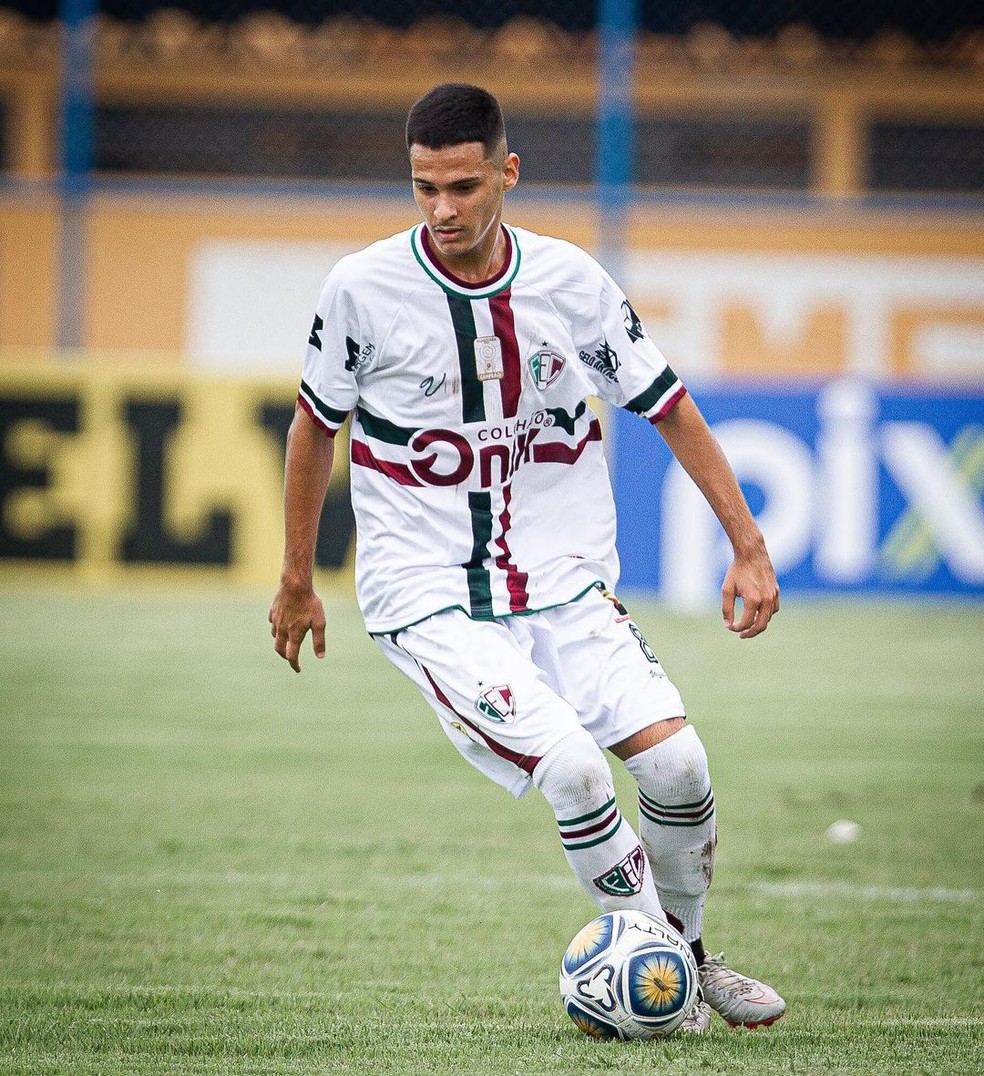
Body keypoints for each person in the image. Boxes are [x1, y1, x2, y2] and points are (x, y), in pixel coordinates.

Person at [269, 83, 785, 1034]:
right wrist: (297, 578)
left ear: (507, 173)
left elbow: (668, 405)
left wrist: (747, 547)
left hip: (561, 583)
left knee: (681, 770)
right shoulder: (361, 289)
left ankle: (687, 957)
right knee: (579, 774)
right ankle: (658, 977)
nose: (443, 210)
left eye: (463, 186)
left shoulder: (572, 283)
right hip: (426, 596)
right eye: (424, 187)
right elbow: (314, 427)